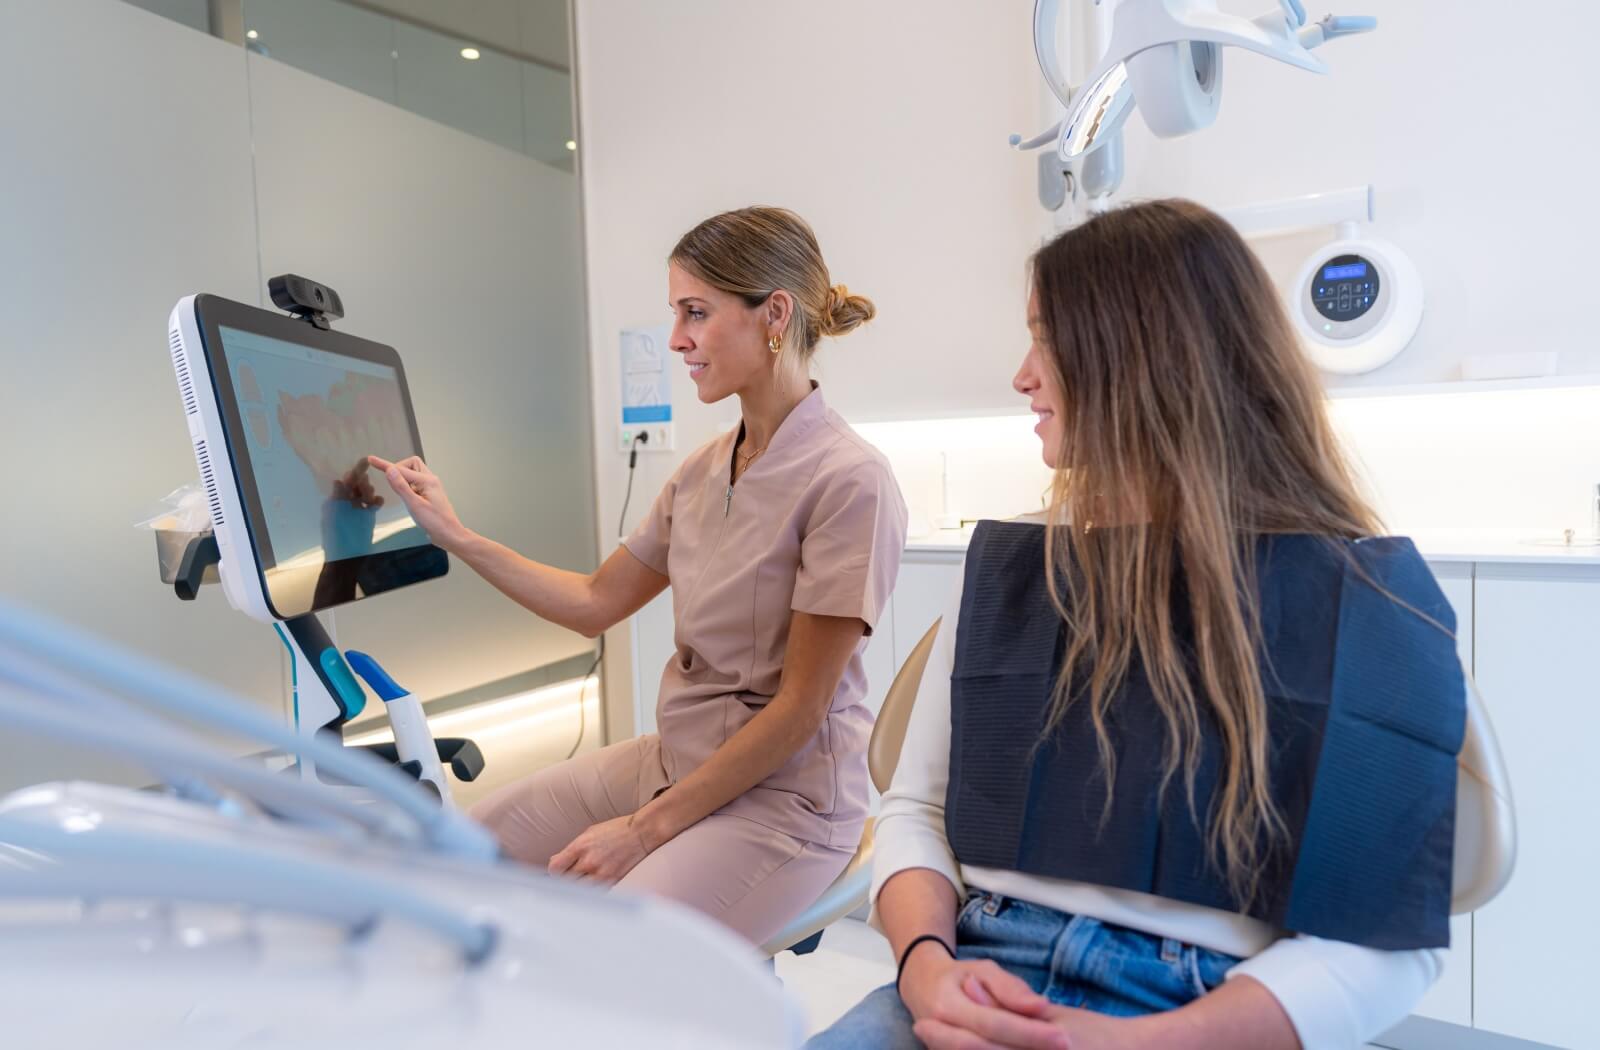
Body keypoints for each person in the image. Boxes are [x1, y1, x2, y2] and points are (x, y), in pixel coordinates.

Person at [810, 199, 1464, 1049]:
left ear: (1139, 356)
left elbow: (1383, 942)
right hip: (975, 969)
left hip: (1206, 1003)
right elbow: (915, 814)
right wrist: (927, 970)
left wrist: (1131, 1042)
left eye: (1046, 337)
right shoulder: (1015, 577)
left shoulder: (1362, 604)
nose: (1021, 374)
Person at [372, 205, 908, 947]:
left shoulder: (850, 481)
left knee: (607, 950)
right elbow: (595, 602)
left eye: (696, 312)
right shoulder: (700, 471)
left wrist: (640, 832)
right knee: (455, 856)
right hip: (676, 759)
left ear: (774, 314)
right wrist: (457, 536)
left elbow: (799, 712)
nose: (677, 339)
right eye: (676, 313)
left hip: (786, 800)